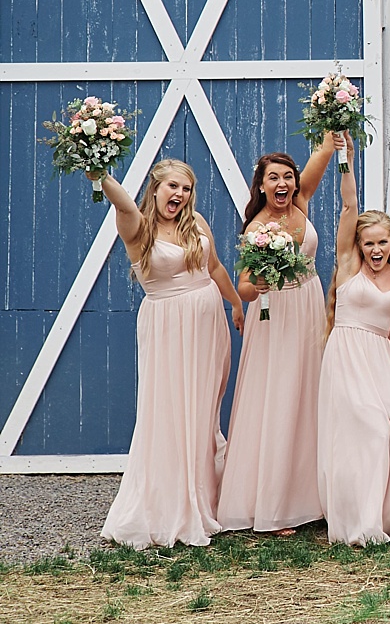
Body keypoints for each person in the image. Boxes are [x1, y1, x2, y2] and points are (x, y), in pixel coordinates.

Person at [94, 159, 241, 548]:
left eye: (186, 189)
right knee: (170, 409)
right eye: (172, 186)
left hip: (208, 323)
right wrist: (100, 173)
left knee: (204, 408)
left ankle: (203, 494)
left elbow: (216, 267)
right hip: (168, 325)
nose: (179, 195)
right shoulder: (137, 227)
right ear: (155, 188)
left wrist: (238, 303)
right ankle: (170, 503)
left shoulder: (196, 224)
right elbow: (124, 205)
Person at [217, 140, 334, 534]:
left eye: (288, 177)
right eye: (274, 178)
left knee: (310, 394)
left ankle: (315, 497)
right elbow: (244, 286)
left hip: (310, 307)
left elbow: (320, 159)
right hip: (276, 314)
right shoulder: (256, 229)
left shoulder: (300, 206)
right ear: (262, 186)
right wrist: (259, 285)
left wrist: (333, 126)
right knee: (279, 397)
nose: (282, 183)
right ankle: (275, 502)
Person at [316, 136, 390, 545]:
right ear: (358, 246)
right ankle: (362, 522)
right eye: (368, 242)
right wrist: (346, 159)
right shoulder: (348, 268)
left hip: (381, 358)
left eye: (383, 241)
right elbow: (347, 207)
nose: (376, 249)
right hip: (346, 353)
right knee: (369, 429)